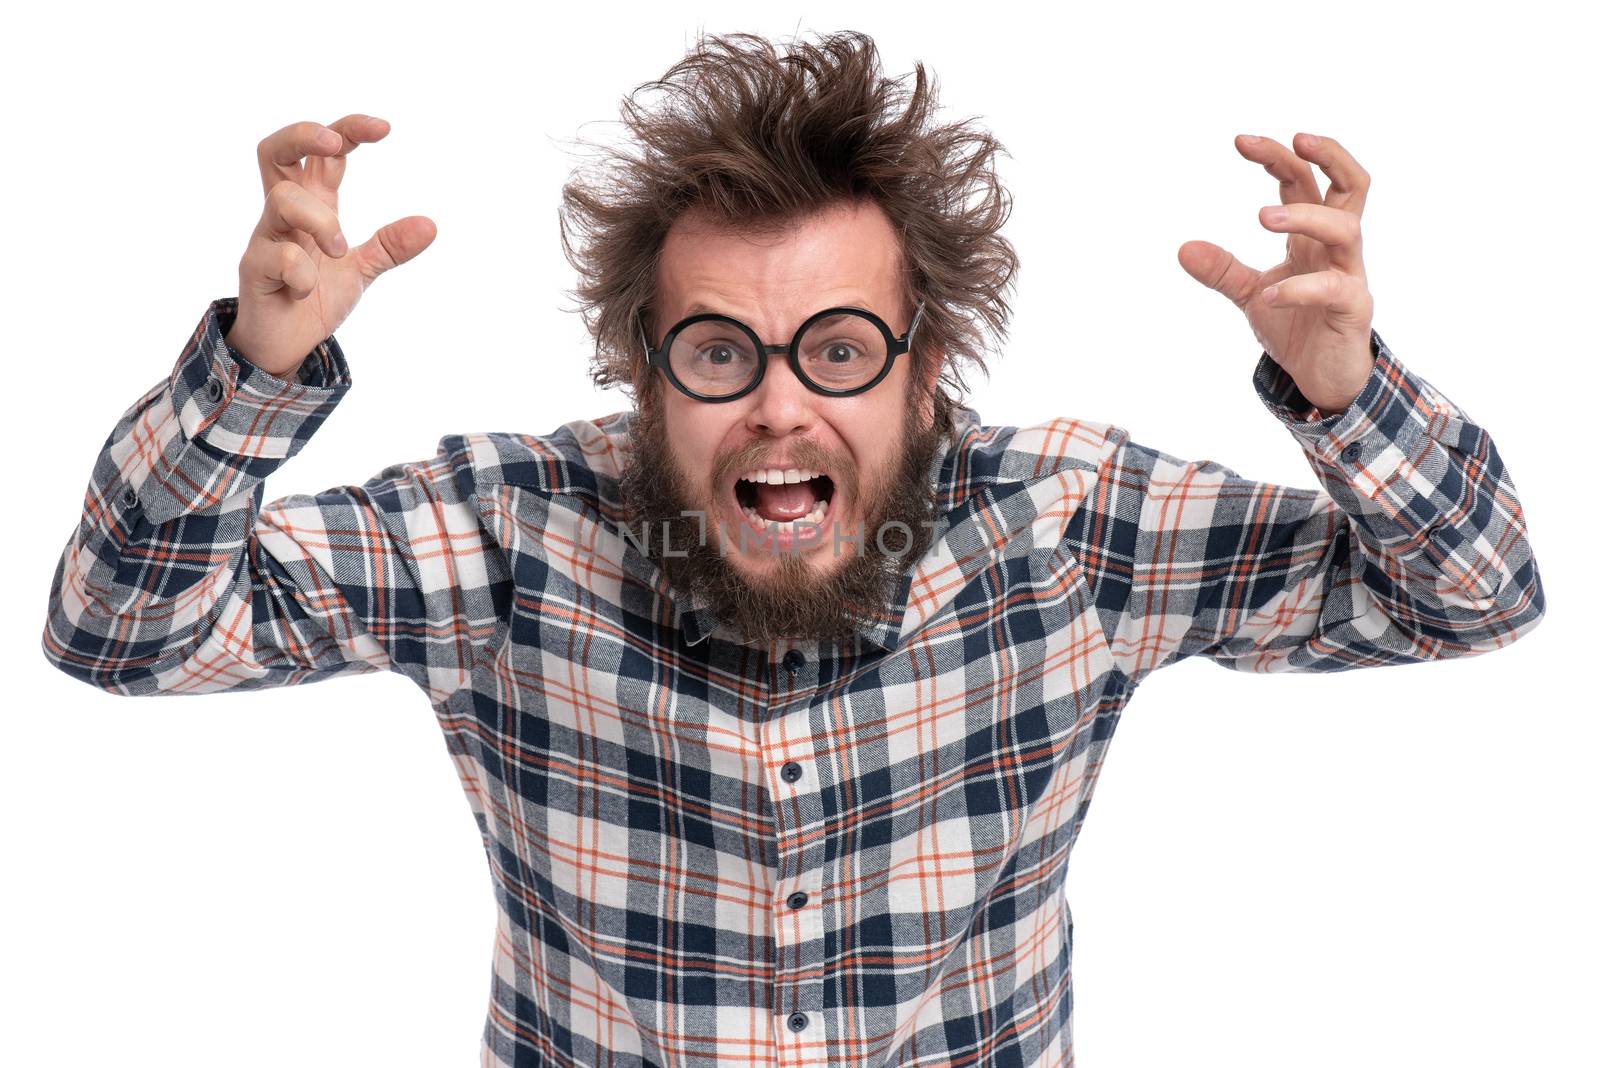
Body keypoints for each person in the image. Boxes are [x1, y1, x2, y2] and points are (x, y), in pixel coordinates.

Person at [40, 29, 1545, 1068]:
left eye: (836, 347)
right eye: (717, 352)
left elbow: (1474, 594)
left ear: (924, 363)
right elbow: (124, 632)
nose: (777, 407)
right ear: (643, 371)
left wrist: (1346, 394)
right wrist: (255, 371)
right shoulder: (513, 538)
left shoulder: (1069, 529)